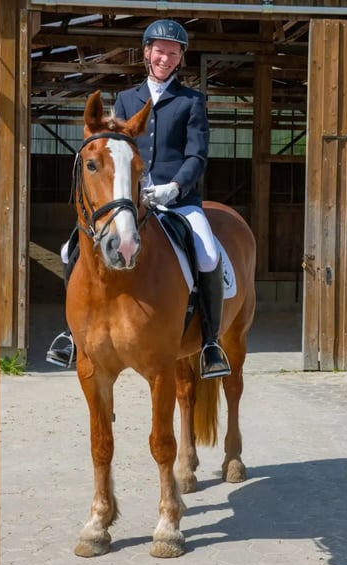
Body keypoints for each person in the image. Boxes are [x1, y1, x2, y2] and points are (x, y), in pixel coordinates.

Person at [46, 19, 231, 379]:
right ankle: (72, 334)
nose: (165, 58)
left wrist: (174, 187)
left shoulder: (192, 102)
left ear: (180, 59)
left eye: (173, 53)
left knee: (208, 253)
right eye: (159, 51)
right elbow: (116, 151)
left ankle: (210, 343)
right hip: (129, 199)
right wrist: (130, 188)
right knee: (71, 250)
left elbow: (197, 156)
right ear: (147, 53)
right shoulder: (128, 100)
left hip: (178, 199)